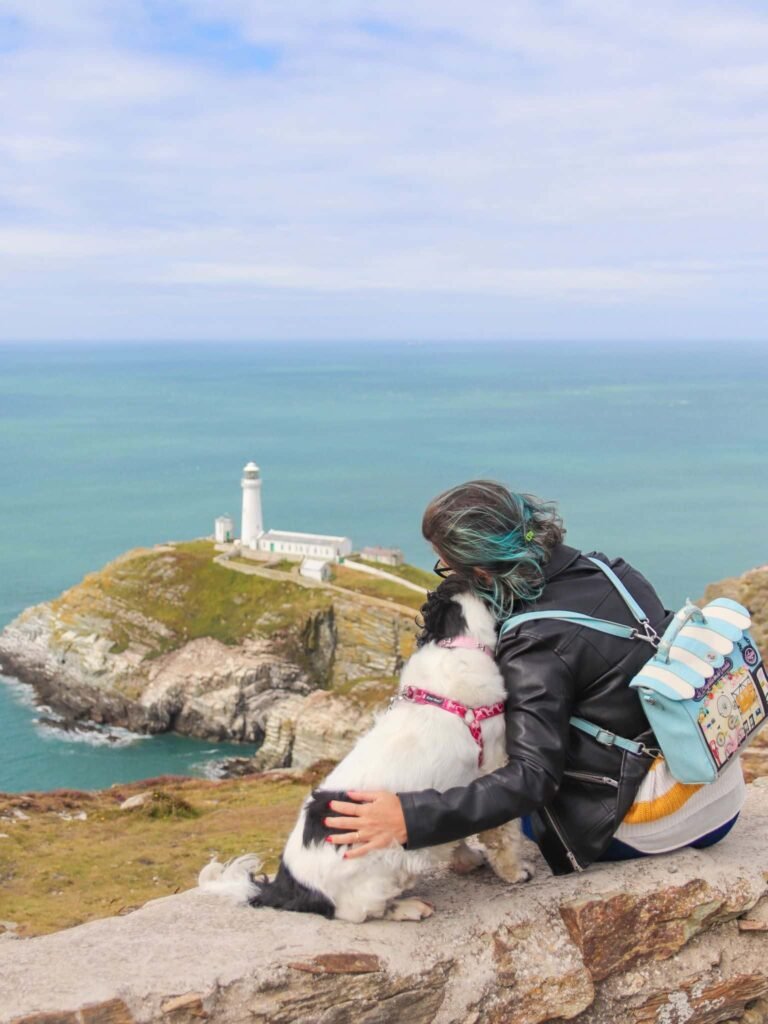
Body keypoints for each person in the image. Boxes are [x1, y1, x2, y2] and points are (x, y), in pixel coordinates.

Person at [325, 480, 746, 874]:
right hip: (719, 788)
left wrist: (410, 818)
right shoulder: (611, 569)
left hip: (658, 814)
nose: (442, 570)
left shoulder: (535, 645)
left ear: (483, 575)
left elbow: (532, 778)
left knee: (490, 762)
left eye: (446, 565)